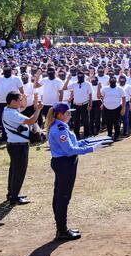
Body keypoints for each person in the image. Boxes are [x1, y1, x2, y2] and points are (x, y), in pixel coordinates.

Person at [45, 102, 105, 240]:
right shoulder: (60, 128)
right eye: (67, 113)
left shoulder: (60, 126)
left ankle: (61, 228)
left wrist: (85, 142)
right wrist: (91, 149)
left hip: (63, 163)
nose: (70, 115)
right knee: (63, 197)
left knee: (60, 195)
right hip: (65, 164)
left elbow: (71, 145)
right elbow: (69, 150)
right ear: (60, 114)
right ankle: (62, 230)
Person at [2, 91, 43, 205]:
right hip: (19, 146)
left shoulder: (9, 110)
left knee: (14, 170)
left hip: (15, 145)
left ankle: (12, 193)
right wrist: (38, 109)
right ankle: (14, 197)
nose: (21, 102)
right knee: (19, 171)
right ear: (13, 101)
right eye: (19, 100)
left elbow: (23, 107)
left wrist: (24, 98)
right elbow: (31, 121)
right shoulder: (12, 114)